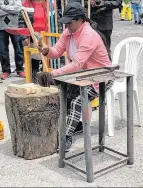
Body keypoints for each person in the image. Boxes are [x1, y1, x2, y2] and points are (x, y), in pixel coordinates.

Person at [37, 2, 114, 150]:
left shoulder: (89, 35)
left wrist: (53, 74)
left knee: (78, 101)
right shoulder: (68, 32)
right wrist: (47, 51)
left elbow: (76, 64)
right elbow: (57, 51)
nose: (66, 26)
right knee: (64, 92)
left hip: (102, 76)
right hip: (84, 75)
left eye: (69, 22)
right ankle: (76, 123)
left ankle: (66, 136)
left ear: (80, 20)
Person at [0, 0, 25, 79]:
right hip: (0, 27)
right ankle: (5, 70)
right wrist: (11, 10)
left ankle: (20, 69)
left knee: (18, 48)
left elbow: (18, 9)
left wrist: (2, 7)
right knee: (2, 49)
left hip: (15, 25)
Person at [19, 0, 49, 74]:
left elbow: (56, 20)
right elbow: (21, 22)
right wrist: (24, 37)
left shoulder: (49, 4)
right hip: (33, 35)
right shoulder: (26, 4)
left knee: (47, 57)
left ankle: (46, 76)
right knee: (34, 57)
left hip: (47, 35)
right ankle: (34, 77)